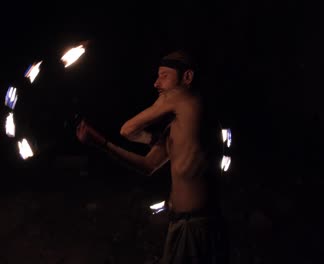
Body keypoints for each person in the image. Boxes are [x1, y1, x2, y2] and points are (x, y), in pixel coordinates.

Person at [75, 50, 228, 263]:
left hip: (197, 226)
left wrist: (150, 134)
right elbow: (148, 165)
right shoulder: (181, 126)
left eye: (164, 75)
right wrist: (102, 144)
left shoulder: (187, 98)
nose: (156, 84)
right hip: (183, 224)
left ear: (187, 77)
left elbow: (127, 130)